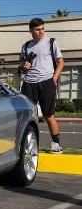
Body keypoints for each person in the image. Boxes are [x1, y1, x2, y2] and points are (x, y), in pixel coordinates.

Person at [20, 18, 64, 154]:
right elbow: (22, 68)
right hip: (29, 83)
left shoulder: (51, 42)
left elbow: (61, 62)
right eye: (38, 29)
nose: (41, 32)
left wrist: (53, 80)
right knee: (27, 115)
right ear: (31, 30)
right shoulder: (26, 46)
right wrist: (24, 67)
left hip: (47, 82)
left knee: (48, 115)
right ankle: (28, 144)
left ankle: (56, 144)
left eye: (42, 29)